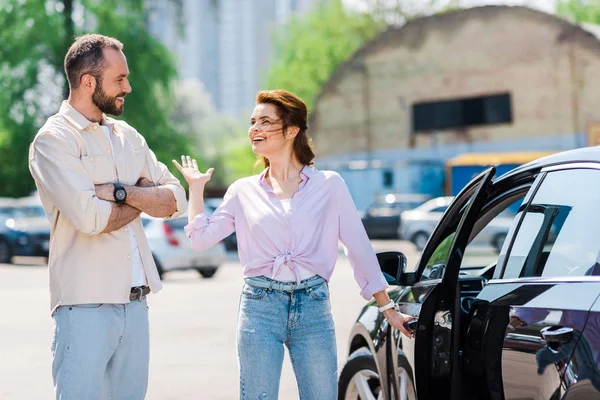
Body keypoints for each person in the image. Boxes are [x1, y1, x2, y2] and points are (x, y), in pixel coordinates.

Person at [173, 89, 414, 399]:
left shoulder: (330, 185)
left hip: (313, 306)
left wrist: (388, 308)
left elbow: (359, 248)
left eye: (264, 122)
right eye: (252, 122)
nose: (254, 129)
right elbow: (201, 239)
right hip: (260, 306)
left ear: (291, 130)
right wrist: (195, 190)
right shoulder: (242, 191)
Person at [28, 34, 187, 399]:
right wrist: (146, 198)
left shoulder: (128, 136)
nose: (128, 87)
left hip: (136, 305)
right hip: (85, 308)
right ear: (88, 82)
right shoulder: (53, 141)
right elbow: (91, 219)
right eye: (120, 79)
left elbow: (176, 198)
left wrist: (120, 192)